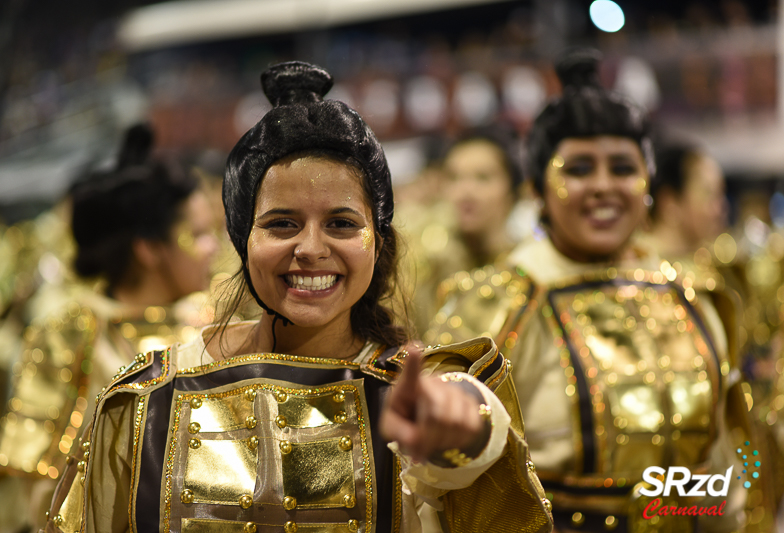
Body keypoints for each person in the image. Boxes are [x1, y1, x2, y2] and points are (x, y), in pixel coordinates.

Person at [41, 62, 552, 533]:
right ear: (244, 242)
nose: (310, 249)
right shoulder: (146, 398)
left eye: (342, 224)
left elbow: (495, 484)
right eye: (281, 224)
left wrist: (469, 436)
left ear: (379, 242)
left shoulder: (418, 393)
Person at [426, 49, 754, 532]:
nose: (603, 186)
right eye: (579, 169)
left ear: (646, 182)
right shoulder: (494, 304)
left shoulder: (693, 296)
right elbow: (445, 486)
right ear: (538, 188)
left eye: (622, 167)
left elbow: (728, 467)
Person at [0, 124, 218, 532]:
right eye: (198, 234)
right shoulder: (70, 331)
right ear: (148, 248)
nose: (213, 248)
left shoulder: (215, 321)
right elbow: (33, 485)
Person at [400, 128, 523, 337]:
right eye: (454, 178)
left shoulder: (525, 268)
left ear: (513, 190)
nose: (465, 192)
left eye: (483, 178)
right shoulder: (422, 264)